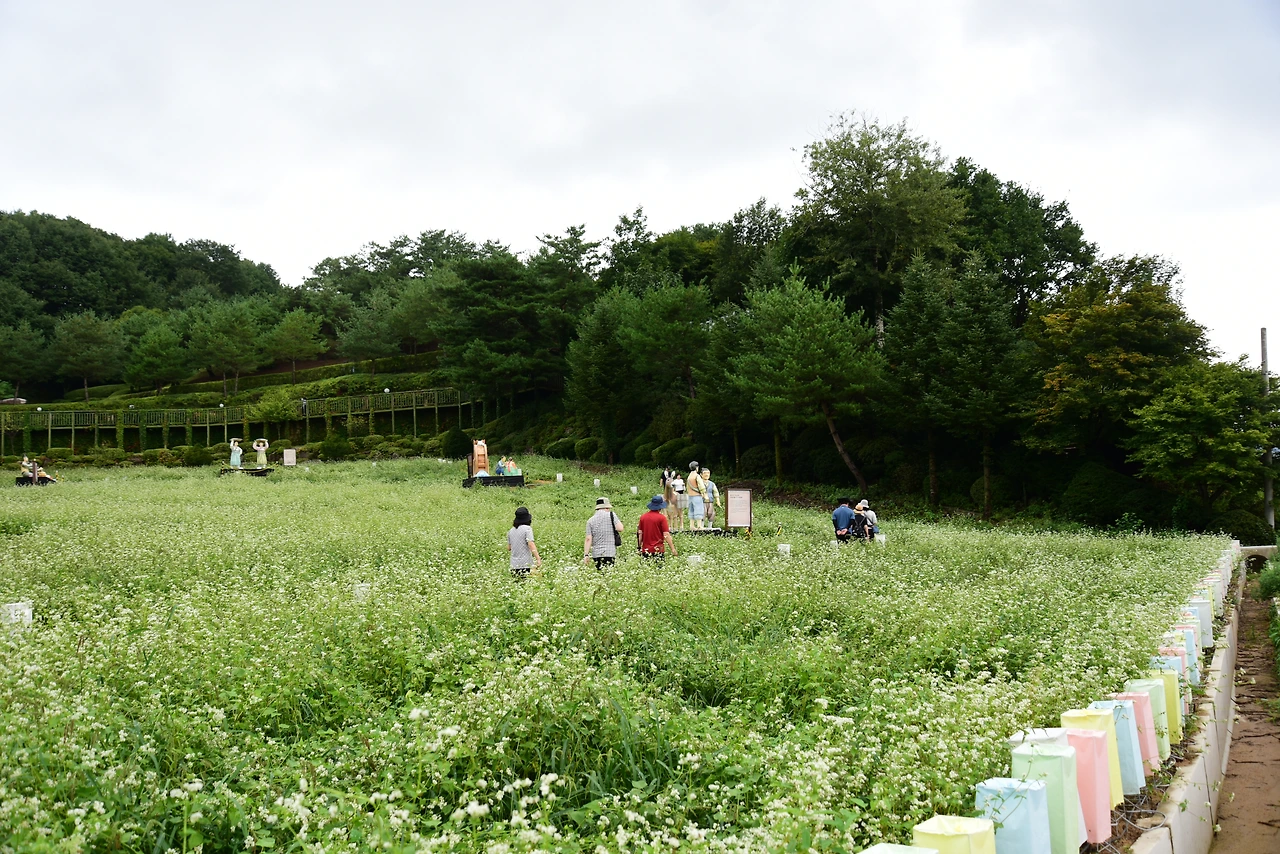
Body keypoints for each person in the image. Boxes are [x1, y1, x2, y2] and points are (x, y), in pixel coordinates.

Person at [583, 496, 624, 569]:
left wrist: (586, 555)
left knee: (600, 572)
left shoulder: (590, 520)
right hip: (609, 552)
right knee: (609, 572)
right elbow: (620, 528)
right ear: (607, 507)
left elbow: (588, 539)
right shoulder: (611, 515)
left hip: (596, 554)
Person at [506, 506, 541, 579]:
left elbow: (509, 548)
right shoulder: (527, 529)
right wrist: (538, 559)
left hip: (514, 565)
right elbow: (531, 544)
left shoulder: (511, 531)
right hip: (525, 564)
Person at [685, 461, 707, 530]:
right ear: (696, 468)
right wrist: (703, 493)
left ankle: (691, 525)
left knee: (691, 510)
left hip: (690, 496)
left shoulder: (689, 476)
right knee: (698, 509)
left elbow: (687, 487)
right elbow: (701, 485)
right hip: (697, 496)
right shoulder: (697, 476)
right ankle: (699, 526)